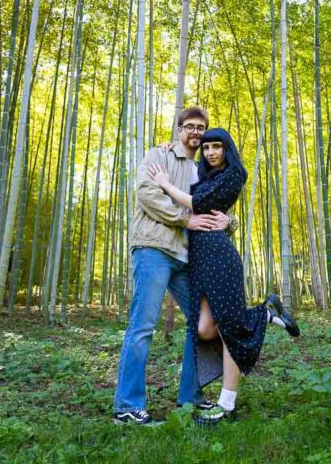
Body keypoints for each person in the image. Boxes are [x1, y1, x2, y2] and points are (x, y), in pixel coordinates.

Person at [147, 127, 300, 426]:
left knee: (230, 328)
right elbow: (187, 173)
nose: (211, 152)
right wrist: (171, 145)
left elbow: (197, 204)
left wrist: (164, 184)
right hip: (199, 262)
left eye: (217, 147)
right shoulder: (202, 176)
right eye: (206, 148)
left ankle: (226, 404)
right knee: (204, 329)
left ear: (227, 149)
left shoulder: (233, 174)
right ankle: (264, 314)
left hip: (219, 257)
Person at [112, 107, 239, 425]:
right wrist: (186, 219)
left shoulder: (203, 169)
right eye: (190, 127)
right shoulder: (160, 154)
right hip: (154, 249)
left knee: (200, 326)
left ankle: (190, 397)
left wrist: (231, 222)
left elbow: (214, 206)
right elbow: (147, 195)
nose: (196, 132)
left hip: (186, 257)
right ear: (179, 129)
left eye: (201, 128)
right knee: (142, 326)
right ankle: (127, 405)